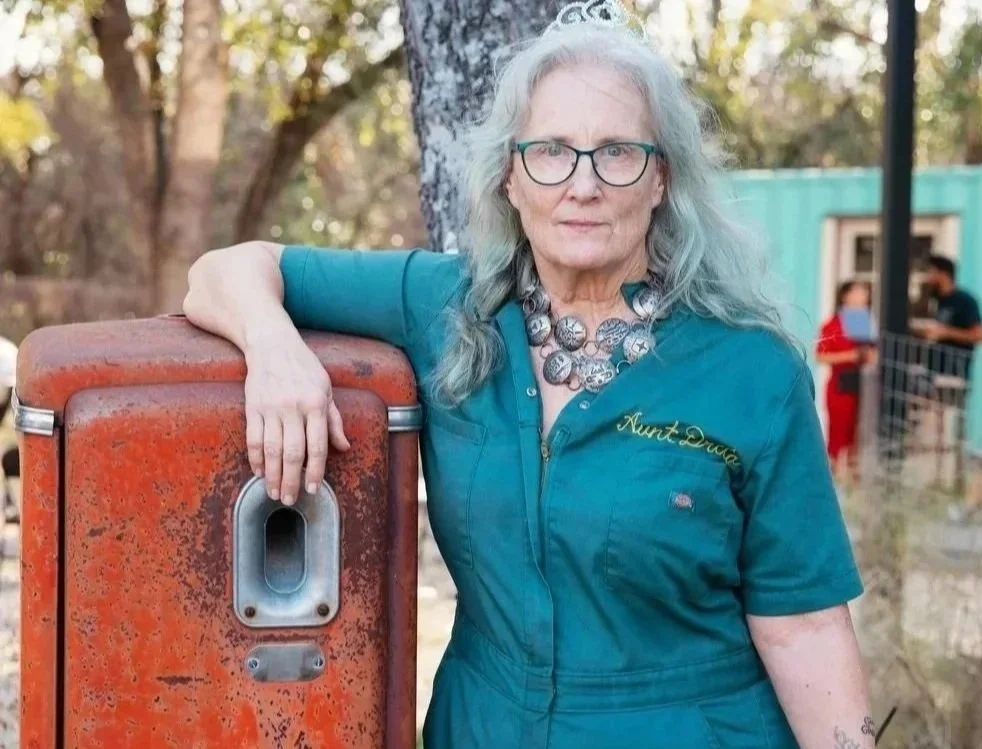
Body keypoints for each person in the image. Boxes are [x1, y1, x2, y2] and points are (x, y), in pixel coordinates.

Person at [183, 3, 875, 747]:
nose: (582, 184)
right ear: (510, 177)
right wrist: (274, 349)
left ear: (660, 180)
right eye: (550, 150)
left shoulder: (750, 371)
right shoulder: (443, 305)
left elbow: (803, 626)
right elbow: (221, 272)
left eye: (617, 153)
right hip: (482, 724)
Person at [816, 281, 875, 480]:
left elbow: (870, 353)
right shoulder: (833, 324)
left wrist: (869, 356)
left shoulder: (862, 323)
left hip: (862, 384)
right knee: (837, 436)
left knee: (856, 436)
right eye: (858, 293)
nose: (863, 298)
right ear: (845, 297)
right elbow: (820, 356)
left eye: (865, 294)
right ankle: (831, 480)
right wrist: (850, 356)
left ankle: (852, 480)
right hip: (840, 385)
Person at [916, 255, 982, 379]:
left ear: (943, 274)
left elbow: (979, 335)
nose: (928, 277)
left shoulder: (964, 300)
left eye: (932, 272)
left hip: (954, 373)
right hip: (932, 369)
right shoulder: (936, 300)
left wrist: (946, 332)